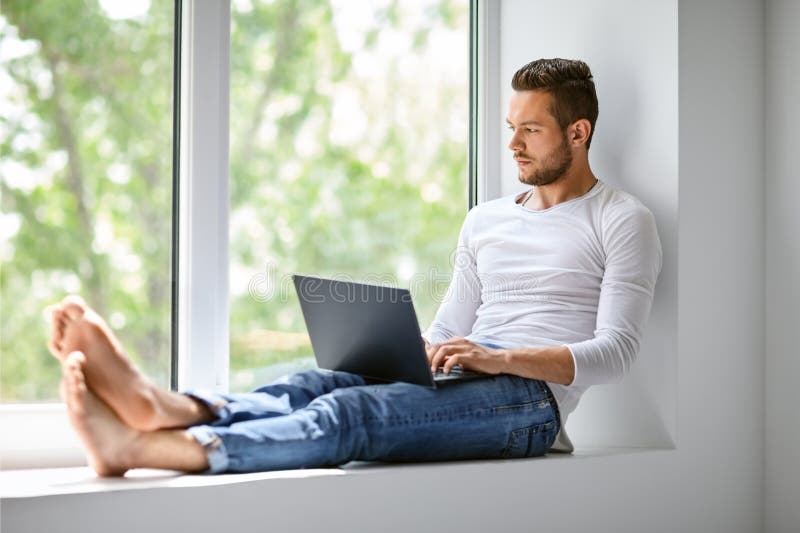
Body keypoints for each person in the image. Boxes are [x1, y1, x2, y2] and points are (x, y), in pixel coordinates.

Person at [46, 58, 662, 477]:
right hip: (468, 373)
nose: (513, 145)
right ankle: (162, 406)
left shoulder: (620, 218)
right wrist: (412, 348)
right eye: (511, 127)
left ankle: (151, 447)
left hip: (528, 405)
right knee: (315, 385)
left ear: (578, 132)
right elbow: (452, 326)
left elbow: (616, 352)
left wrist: (497, 356)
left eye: (530, 129)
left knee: (353, 416)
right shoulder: (486, 219)